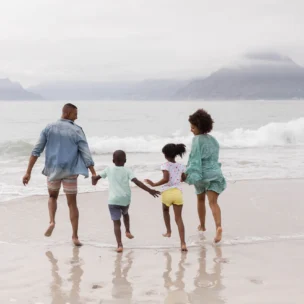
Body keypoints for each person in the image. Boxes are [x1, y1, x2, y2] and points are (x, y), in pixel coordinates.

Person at [22, 103, 96, 246]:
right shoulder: (77, 130)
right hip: (70, 171)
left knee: (52, 196)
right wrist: (93, 172)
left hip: (53, 170)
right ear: (67, 113)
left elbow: (36, 151)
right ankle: (74, 237)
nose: (77, 117)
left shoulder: (49, 128)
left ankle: (51, 221)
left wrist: (28, 172)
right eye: (75, 114)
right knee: (72, 203)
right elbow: (85, 153)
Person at [92, 150, 160, 253]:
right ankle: (127, 231)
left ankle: (119, 245)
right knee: (125, 213)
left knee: (116, 223)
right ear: (125, 161)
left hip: (113, 200)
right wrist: (150, 190)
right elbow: (137, 182)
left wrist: (94, 179)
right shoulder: (128, 171)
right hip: (125, 199)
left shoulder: (108, 169)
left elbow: (96, 179)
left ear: (113, 160)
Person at [183, 109, 226, 243]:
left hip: (202, 175)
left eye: (193, 127)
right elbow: (214, 157)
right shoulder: (213, 140)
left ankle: (202, 225)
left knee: (201, 199)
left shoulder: (196, 140)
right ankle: (218, 226)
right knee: (213, 203)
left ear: (199, 127)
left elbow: (195, 159)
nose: (191, 130)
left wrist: (188, 174)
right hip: (215, 173)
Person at [145, 143, 187, 251]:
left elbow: (166, 179)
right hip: (177, 193)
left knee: (165, 210)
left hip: (167, 193)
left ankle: (168, 231)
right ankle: (183, 243)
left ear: (165, 155)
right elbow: (184, 178)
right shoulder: (181, 166)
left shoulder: (165, 165)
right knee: (179, 218)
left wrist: (154, 184)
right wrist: (178, 179)